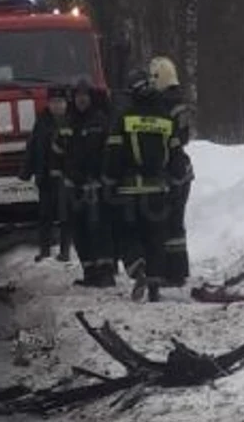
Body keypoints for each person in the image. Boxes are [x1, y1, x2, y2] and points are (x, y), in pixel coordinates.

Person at [106, 68, 186, 303]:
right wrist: (176, 179)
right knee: (155, 238)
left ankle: (137, 269)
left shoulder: (125, 119)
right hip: (158, 191)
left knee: (127, 234)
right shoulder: (165, 120)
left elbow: (114, 154)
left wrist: (109, 181)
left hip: (130, 191)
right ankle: (154, 287)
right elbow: (176, 156)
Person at [63, 82, 118, 287]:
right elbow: (61, 154)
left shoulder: (100, 121)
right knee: (79, 230)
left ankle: (106, 272)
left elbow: (108, 153)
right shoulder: (68, 123)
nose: (81, 99)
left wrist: (101, 178)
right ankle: (90, 272)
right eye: (78, 96)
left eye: (85, 95)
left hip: (96, 186)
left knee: (99, 229)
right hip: (74, 187)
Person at [151, 56, 193, 289]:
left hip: (172, 172)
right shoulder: (180, 102)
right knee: (176, 225)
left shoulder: (165, 104)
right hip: (182, 171)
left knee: (169, 224)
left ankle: (173, 272)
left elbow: (173, 138)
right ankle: (178, 270)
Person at [20, 90, 72, 262]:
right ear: (48, 104)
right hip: (46, 177)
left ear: (66, 103)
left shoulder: (72, 121)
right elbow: (32, 148)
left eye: (60, 101)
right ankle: (44, 250)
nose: (57, 105)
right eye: (54, 102)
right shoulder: (41, 122)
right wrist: (26, 172)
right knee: (45, 215)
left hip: (66, 177)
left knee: (65, 216)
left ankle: (65, 251)